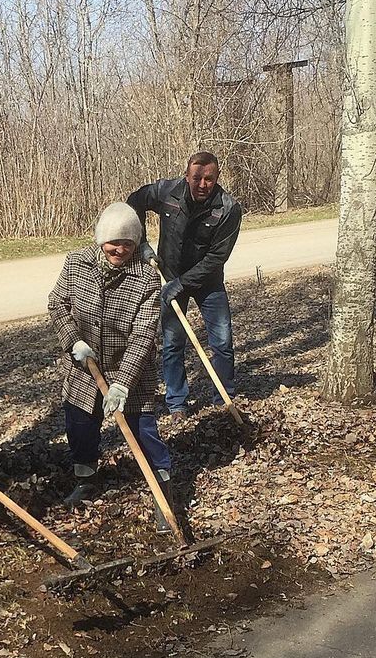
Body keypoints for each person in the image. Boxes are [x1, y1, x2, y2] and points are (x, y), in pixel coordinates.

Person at [47, 202, 174, 516]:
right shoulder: (77, 263)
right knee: (80, 427)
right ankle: (86, 479)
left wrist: (121, 385)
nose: (120, 248)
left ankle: (163, 490)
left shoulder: (145, 278)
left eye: (128, 243)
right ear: (100, 238)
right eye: (114, 241)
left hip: (129, 369)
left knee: (143, 431)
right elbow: (57, 303)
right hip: (83, 367)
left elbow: (143, 336)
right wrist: (72, 340)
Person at [127, 151, 243, 416]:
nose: (203, 185)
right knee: (172, 343)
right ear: (187, 176)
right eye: (197, 178)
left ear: (217, 178)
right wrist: (141, 244)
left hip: (207, 281)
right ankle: (177, 402)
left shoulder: (227, 208)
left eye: (209, 179)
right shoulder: (167, 192)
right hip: (169, 276)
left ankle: (224, 400)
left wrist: (182, 284)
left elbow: (217, 257)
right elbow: (134, 202)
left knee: (222, 343)